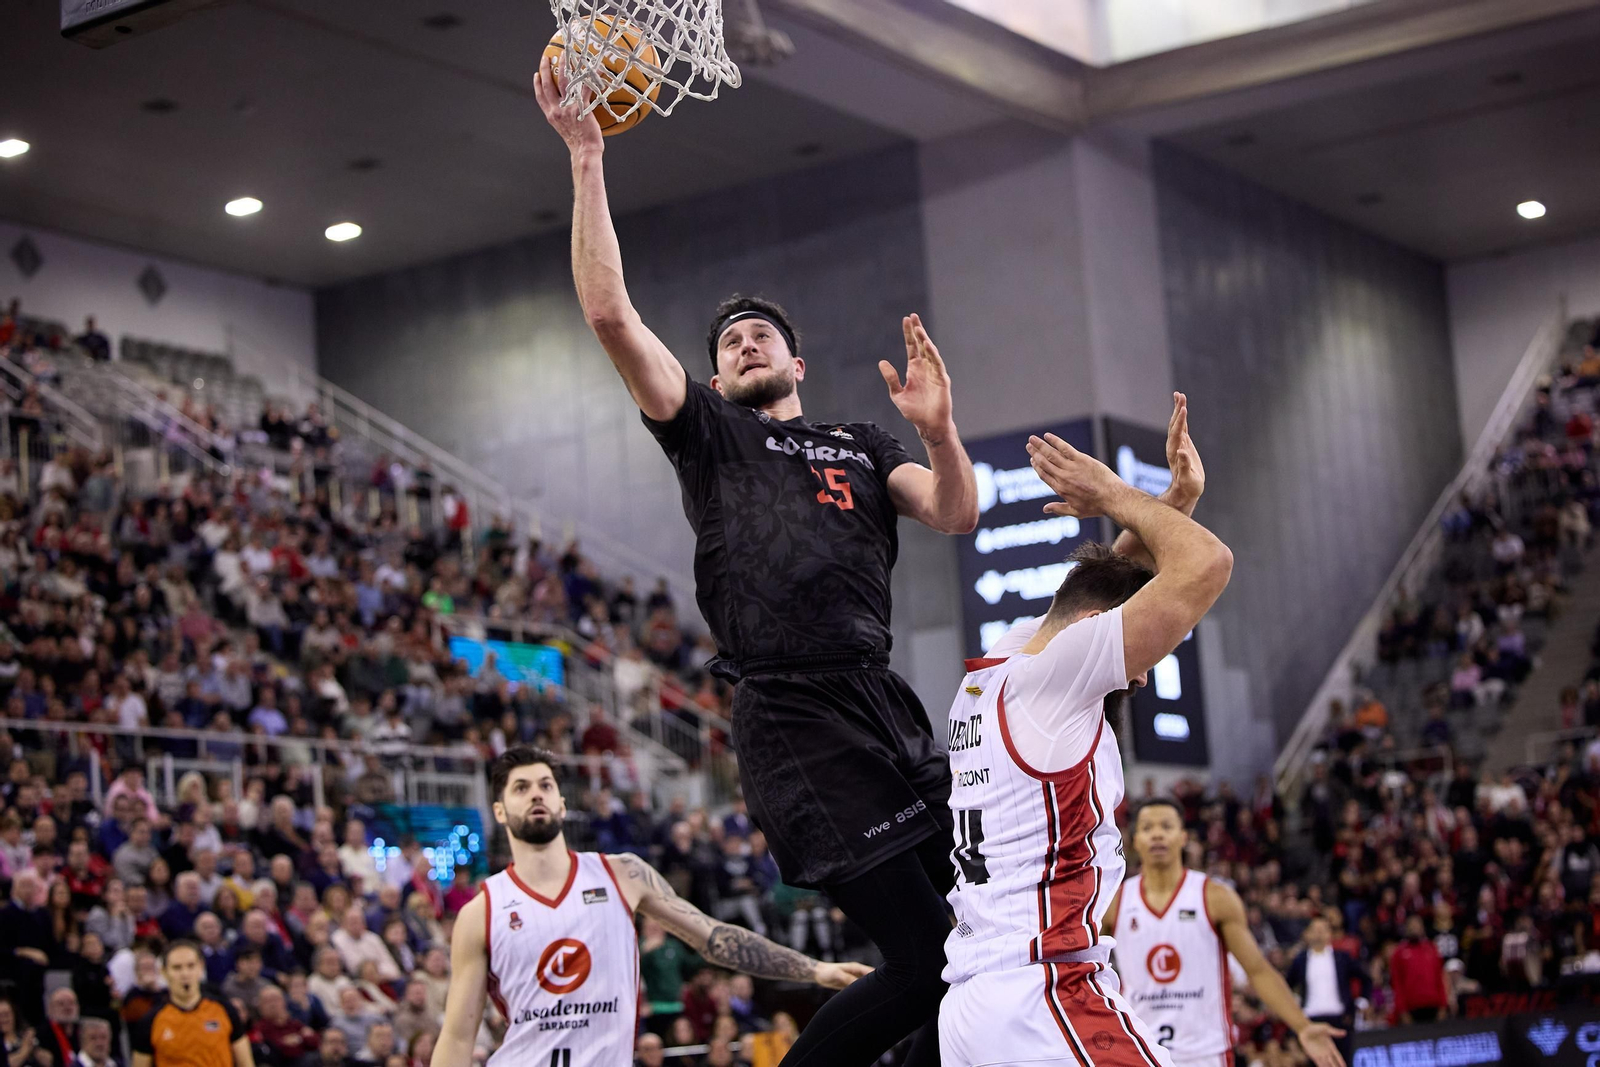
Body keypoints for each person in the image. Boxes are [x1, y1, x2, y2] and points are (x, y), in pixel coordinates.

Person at [536, 55, 980, 1067]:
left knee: (975, 948)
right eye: (729, 338)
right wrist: (587, 158)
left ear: (796, 363)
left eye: (760, 333)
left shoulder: (865, 444)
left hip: (883, 701)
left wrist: (943, 433)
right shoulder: (705, 433)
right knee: (920, 961)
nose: (742, 341)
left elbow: (956, 514)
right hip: (791, 714)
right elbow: (610, 314)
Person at [936, 403, 1232, 1066]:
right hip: (1043, 989)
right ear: (1096, 629)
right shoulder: (1060, 675)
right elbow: (1208, 564)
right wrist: (1114, 495)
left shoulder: (1006, 662)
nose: (1144, 674)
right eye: (1143, 656)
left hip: (975, 1002)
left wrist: (1175, 499)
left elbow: (1101, 586)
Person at [429, 746, 867, 1067]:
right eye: (520, 788)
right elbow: (457, 1036)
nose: (536, 795)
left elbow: (713, 938)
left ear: (563, 802)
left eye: (546, 785)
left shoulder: (622, 874)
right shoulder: (481, 911)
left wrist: (813, 969)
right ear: (500, 812)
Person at [1107, 800, 1345, 1067]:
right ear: (1135, 839)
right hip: (1138, 1052)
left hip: (1205, 1055)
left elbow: (1257, 970)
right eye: (1148, 828)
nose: (1158, 834)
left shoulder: (1214, 897)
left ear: (1184, 837)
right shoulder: (1114, 902)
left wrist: (1301, 1026)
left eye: (1166, 826)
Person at [131, 941, 253, 1067]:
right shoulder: (151, 1022)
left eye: (191, 966)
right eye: (177, 968)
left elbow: (246, 1063)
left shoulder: (224, 1010)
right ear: (164, 972)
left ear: (200, 967)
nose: (185, 974)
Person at [1286, 916, 1367, 1062]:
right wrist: (1295, 1006)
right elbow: (1286, 986)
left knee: (1342, 1061)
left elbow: (1365, 978)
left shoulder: (1342, 958)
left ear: (1330, 933)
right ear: (1307, 934)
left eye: (1323, 930)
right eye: (1315, 930)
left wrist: (1362, 1002)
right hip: (1310, 1020)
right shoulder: (1300, 960)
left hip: (1340, 1019)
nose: (1319, 934)